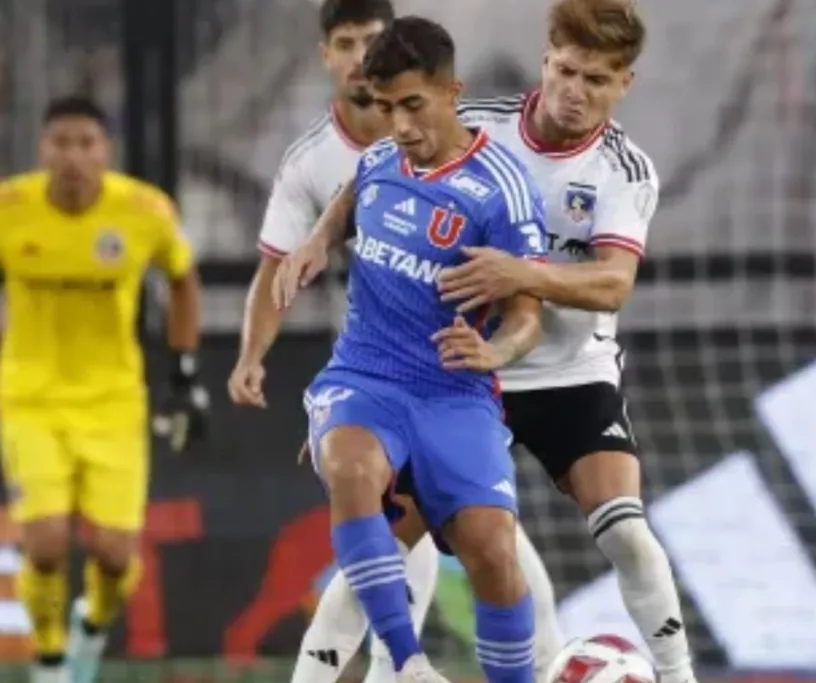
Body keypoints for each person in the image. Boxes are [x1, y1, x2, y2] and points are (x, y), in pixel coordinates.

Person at [310, 1, 699, 682]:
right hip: (456, 378)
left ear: (624, 85)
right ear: (546, 59)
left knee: (628, 532)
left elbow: (613, 283)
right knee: (375, 551)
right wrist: (318, 240)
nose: (577, 93)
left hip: (569, 375)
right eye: (569, 71)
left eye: (599, 81)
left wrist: (522, 272)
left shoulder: (624, 171)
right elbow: (372, 175)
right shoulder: (477, 131)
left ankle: (678, 674)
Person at [228, 2, 563, 682]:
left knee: (496, 555)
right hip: (366, 375)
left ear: (451, 92)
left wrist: (499, 351)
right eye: (387, 108)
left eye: (414, 105)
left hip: (454, 390)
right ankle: (408, 666)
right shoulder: (381, 158)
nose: (401, 126)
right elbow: (351, 199)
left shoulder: (501, 191)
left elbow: (530, 312)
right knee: (352, 471)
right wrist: (319, 242)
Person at [0, 96, 207, 683]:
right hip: (28, 397)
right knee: (42, 544)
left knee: (116, 557)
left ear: (105, 151)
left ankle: (91, 624)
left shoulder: (142, 210)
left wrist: (185, 376)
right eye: (60, 143)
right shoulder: (9, 208)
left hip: (113, 400)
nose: (72, 157)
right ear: (42, 149)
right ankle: (47, 660)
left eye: (85, 143)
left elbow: (183, 280)